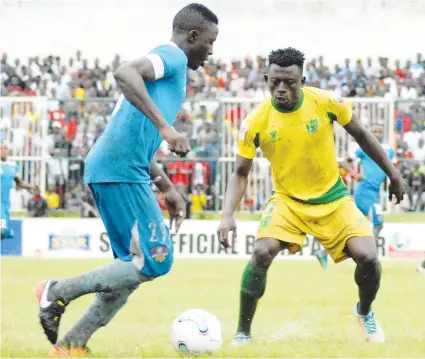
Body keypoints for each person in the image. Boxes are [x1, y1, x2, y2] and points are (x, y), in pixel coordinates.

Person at [34, 3, 219, 355]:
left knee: (131, 269)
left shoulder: (169, 77)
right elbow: (124, 72)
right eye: (210, 42)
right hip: (119, 170)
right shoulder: (173, 57)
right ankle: (55, 291)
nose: (211, 51)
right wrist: (166, 127)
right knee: (156, 260)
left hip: (116, 167)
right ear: (193, 36)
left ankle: (72, 345)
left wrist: (166, 186)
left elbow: (136, 135)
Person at [217, 48, 405, 345]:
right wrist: (227, 215)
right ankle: (242, 332)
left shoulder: (326, 102)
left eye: (289, 82)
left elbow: (362, 135)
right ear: (266, 79)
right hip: (287, 202)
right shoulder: (254, 121)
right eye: (275, 82)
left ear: (302, 79)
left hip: (334, 199)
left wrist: (393, 173)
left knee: (369, 258)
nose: (281, 88)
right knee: (262, 252)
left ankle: (365, 312)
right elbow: (240, 172)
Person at [314, 124, 396, 269]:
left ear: (383, 134)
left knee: (350, 227)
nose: (377, 134)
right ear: (371, 132)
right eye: (374, 131)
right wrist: (355, 174)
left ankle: (324, 252)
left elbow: (393, 168)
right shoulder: (364, 148)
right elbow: (344, 161)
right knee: (378, 223)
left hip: (374, 193)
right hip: (364, 191)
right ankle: (371, 259)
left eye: (379, 131)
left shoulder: (388, 150)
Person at [1, 142, 38, 239]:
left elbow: (20, 183)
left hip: (6, 202)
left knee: (4, 234)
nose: (3, 150)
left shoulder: (12, 166)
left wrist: (31, 187)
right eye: (1, 148)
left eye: (5, 148)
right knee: (2, 226)